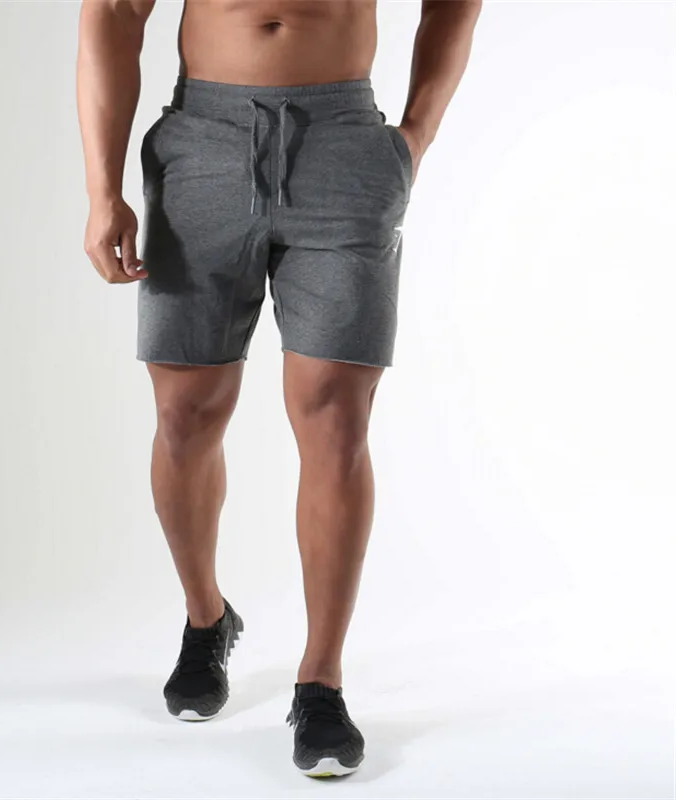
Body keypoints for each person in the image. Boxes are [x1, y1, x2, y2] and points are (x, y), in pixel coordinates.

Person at [77, 0, 480, 778]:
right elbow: (116, 11)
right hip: (204, 145)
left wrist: (416, 135)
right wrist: (102, 188)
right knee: (184, 416)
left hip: (344, 146)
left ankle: (320, 680)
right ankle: (207, 618)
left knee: (336, 422)